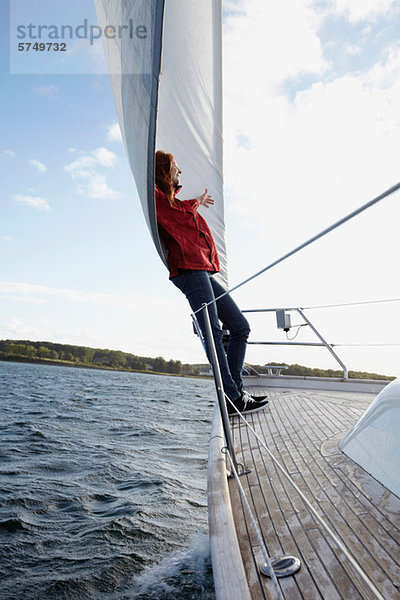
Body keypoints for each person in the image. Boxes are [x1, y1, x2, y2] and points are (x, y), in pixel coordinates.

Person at [155, 150, 268, 415]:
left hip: (203, 271)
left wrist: (197, 200)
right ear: (164, 171)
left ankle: (236, 392)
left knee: (240, 327)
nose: (180, 173)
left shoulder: (175, 204)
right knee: (213, 333)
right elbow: (167, 209)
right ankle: (232, 397)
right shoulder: (158, 199)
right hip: (189, 271)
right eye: (176, 168)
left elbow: (181, 208)